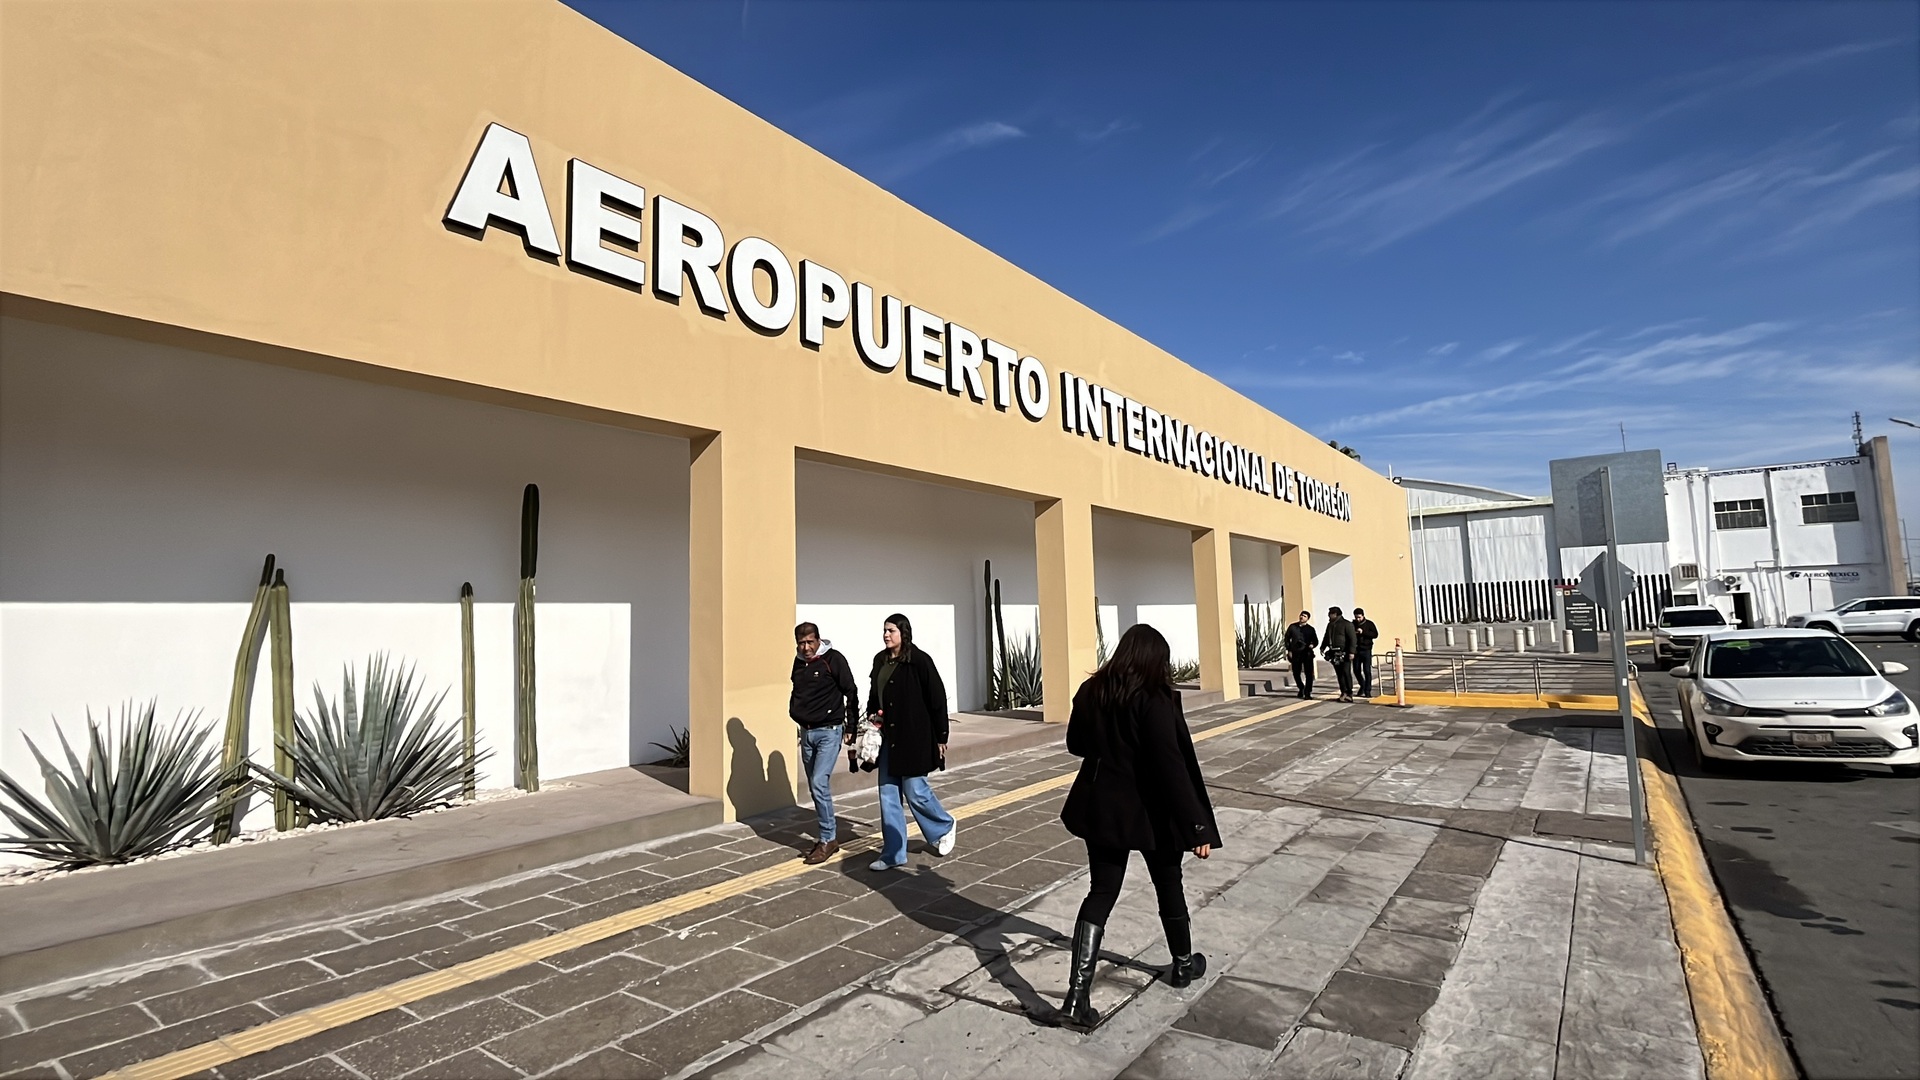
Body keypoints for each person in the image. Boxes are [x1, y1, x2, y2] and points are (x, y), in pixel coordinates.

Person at [1049, 623, 1221, 1030]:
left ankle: (1076, 996)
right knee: (1168, 883)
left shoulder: (1092, 691)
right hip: (1151, 812)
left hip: (1103, 809)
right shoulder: (1154, 698)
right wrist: (1197, 827)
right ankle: (1183, 964)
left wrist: (1109, 746)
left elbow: (1076, 744)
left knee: (1101, 891)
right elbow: (1170, 766)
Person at [866, 613, 957, 871]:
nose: (886, 635)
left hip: (915, 737)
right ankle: (893, 854)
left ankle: (943, 826)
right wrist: (872, 714)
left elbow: (937, 698)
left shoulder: (919, 660)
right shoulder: (880, 660)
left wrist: (941, 735)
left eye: (891, 630)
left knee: (915, 789)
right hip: (889, 737)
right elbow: (874, 692)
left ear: (903, 633)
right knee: (888, 794)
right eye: (884, 630)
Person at [790, 622, 859, 864]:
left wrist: (851, 726)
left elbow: (850, 690)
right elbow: (797, 690)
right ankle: (827, 836)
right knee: (814, 786)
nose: (806, 647)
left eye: (810, 642)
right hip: (807, 733)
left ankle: (828, 839)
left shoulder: (833, 659)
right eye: (801, 643)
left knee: (819, 782)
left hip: (829, 731)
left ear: (819, 640)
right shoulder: (799, 662)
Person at [1323, 606, 1357, 703]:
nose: (1328, 616)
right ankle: (1343, 692)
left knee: (1346, 672)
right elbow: (1326, 637)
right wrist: (1323, 647)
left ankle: (1349, 693)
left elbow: (1352, 639)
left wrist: (1352, 652)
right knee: (1339, 674)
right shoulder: (1330, 625)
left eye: (1330, 614)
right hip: (1334, 653)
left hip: (1344, 652)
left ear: (1335, 614)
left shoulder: (1347, 624)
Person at [1283, 610, 1318, 698]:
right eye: (1301, 615)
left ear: (1307, 619)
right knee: (1296, 672)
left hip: (1307, 653)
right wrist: (1289, 650)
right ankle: (1301, 687)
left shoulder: (1310, 629)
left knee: (1309, 674)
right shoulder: (1293, 627)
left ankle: (1307, 692)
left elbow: (1315, 641)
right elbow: (1287, 638)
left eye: (1305, 616)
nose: (1302, 617)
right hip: (1296, 653)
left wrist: (1312, 645)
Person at [1352, 608, 1380, 699]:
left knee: (1367, 671)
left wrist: (1363, 632)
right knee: (1356, 670)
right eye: (1356, 617)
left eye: (1359, 617)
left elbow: (1375, 635)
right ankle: (1362, 685)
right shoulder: (1352, 624)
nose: (1358, 619)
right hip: (1356, 650)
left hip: (1366, 650)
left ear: (1363, 616)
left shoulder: (1369, 624)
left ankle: (1367, 690)